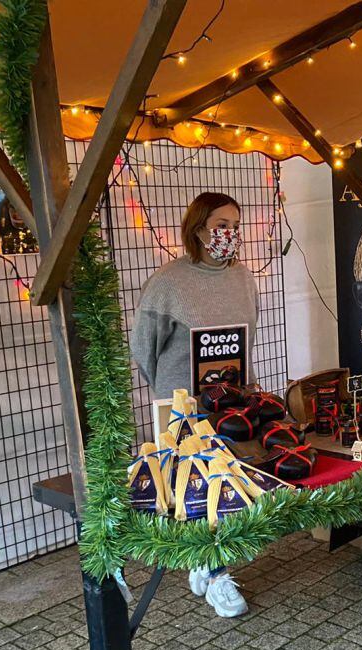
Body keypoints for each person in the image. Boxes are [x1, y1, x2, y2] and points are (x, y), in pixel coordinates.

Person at [129, 192, 258, 619]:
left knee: (226, 483)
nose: (230, 234)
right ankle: (218, 575)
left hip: (231, 400)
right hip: (182, 404)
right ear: (199, 228)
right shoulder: (168, 283)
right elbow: (144, 349)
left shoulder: (243, 279)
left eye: (236, 225)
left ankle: (206, 560)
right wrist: (168, 392)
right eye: (221, 224)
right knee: (196, 489)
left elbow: (245, 339)